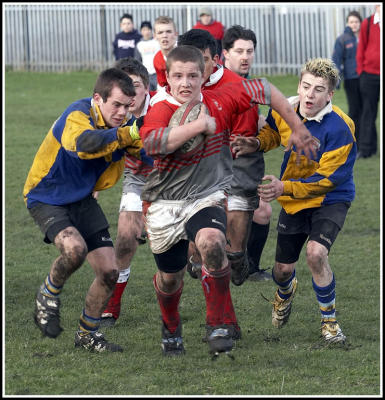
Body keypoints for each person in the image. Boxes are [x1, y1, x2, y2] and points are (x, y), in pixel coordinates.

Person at [139, 44, 316, 357]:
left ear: (204, 73)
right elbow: (154, 143)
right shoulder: (160, 107)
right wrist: (199, 126)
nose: (185, 83)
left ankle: (218, 324)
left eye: (193, 75)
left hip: (205, 196)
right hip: (165, 203)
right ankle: (171, 326)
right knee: (169, 278)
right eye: (177, 75)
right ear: (166, 77)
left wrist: (298, 127)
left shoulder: (220, 98)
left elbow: (266, 89)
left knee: (212, 243)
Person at [231, 58, 356, 344]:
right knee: (282, 270)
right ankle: (285, 292)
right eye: (306, 86)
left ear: (330, 95)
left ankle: (329, 323)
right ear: (299, 85)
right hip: (294, 201)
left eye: (319, 89)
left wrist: (283, 186)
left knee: (315, 254)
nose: (310, 95)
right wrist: (257, 143)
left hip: (330, 199)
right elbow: (274, 133)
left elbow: (328, 179)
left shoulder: (340, 128)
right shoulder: (286, 110)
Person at [24, 68, 142, 352]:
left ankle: (87, 335)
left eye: (128, 106)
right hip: (46, 196)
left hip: (83, 200)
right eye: (116, 104)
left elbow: (148, 154)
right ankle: (48, 294)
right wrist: (126, 134)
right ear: (97, 98)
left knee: (110, 271)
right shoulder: (78, 114)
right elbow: (82, 144)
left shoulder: (128, 126)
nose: (122, 112)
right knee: (74, 250)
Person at [177, 27, 270, 286]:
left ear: (215, 59)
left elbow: (243, 139)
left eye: (201, 60)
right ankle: (195, 255)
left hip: (235, 157)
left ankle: (238, 255)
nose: (193, 67)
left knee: (242, 198)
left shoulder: (236, 86)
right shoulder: (177, 83)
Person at [100, 58, 155, 327]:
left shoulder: (164, 106)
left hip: (176, 177)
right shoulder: (110, 115)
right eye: (123, 87)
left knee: (192, 250)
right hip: (137, 176)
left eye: (134, 86)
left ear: (147, 87)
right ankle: (112, 305)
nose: (129, 94)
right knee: (124, 238)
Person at [222, 25, 272, 281]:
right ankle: (215, 265)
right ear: (225, 54)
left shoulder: (251, 86)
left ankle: (247, 267)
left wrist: (262, 125)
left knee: (262, 212)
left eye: (249, 51)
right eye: (239, 51)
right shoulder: (219, 85)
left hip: (249, 160)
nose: (245, 56)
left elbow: (251, 118)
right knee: (224, 217)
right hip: (226, 163)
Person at [332, 11, 362, 153]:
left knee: (367, 112)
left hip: (365, 78)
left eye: (356, 21)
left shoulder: (365, 37)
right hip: (351, 79)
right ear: (347, 23)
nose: (354, 24)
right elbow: (336, 60)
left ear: (360, 23)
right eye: (351, 22)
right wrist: (336, 80)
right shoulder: (343, 39)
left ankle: (367, 143)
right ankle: (354, 142)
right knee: (354, 111)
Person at [355, 4, 381, 159]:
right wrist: (361, 72)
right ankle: (366, 148)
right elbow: (361, 49)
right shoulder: (367, 23)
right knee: (368, 112)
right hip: (369, 75)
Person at [152, 16, 178, 89]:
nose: (164, 36)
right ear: (155, 36)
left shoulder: (187, 54)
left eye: (168, 31)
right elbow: (163, 86)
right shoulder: (157, 59)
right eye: (160, 32)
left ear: (176, 34)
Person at [134, 21, 161, 91]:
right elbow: (138, 61)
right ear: (141, 31)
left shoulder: (157, 42)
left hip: (157, 74)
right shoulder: (139, 45)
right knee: (148, 95)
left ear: (151, 30)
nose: (146, 32)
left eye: (148, 29)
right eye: (144, 30)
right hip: (146, 75)